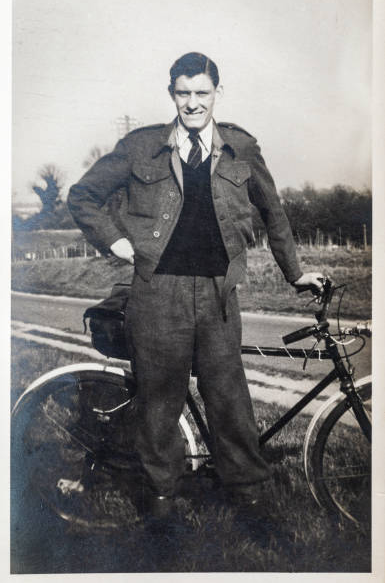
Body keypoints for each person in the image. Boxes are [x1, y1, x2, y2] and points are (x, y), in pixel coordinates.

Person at [68, 52, 323, 518]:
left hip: (219, 293)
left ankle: (248, 497)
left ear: (217, 94)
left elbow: (274, 213)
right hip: (156, 290)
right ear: (171, 94)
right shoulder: (140, 146)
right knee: (159, 402)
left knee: (229, 398)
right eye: (183, 93)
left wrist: (295, 271)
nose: (192, 103)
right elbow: (82, 195)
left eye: (201, 93)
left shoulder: (241, 148)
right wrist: (117, 242)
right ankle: (162, 501)